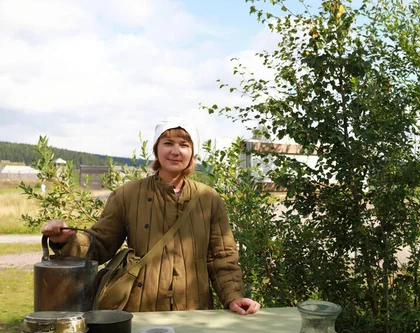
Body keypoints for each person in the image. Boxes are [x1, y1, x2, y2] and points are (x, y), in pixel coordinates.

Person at [41, 116, 260, 315]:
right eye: (168, 143)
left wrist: (234, 297)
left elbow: (222, 258)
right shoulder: (127, 194)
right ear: (156, 150)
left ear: (193, 152)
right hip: (139, 310)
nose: (176, 151)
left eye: (184, 145)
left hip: (196, 311)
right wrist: (67, 241)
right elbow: (102, 244)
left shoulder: (208, 198)